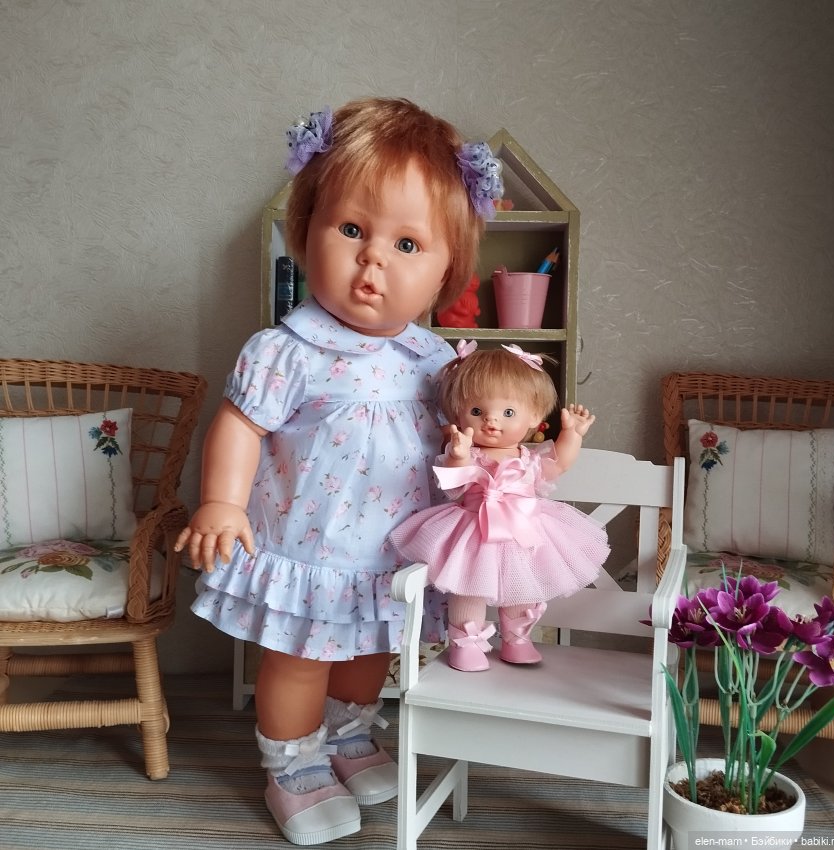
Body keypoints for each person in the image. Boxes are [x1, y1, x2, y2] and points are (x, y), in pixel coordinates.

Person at [174, 97, 503, 846]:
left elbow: (465, 434)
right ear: (307, 230)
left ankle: (348, 735)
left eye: (407, 244)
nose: (372, 260)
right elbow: (241, 424)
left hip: (392, 553)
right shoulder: (286, 350)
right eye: (351, 229)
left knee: (368, 653)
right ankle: (292, 765)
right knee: (298, 661)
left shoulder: (435, 360)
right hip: (308, 551)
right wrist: (222, 502)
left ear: (448, 271)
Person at [390, 340, 610, 672]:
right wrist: (458, 456)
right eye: (477, 412)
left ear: (534, 416)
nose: (491, 421)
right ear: (458, 413)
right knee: (468, 587)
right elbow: (454, 484)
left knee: (524, 588)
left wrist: (572, 435)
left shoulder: (529, 458)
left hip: (524, 533)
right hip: (474, 531)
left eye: (508, 413)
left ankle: (517, 639)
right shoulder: (470, 453)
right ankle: (465, 645)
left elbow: (559, 463)